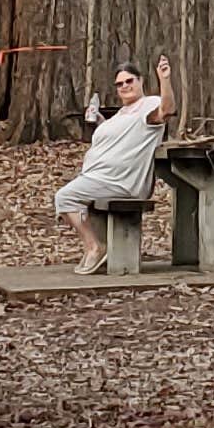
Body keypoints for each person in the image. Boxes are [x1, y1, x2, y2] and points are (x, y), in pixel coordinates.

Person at [54, 55, 177, 270]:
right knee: (70, 196)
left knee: (64, 197)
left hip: (122, 182)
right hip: (100, 178)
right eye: (120, 84)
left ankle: (95, 247)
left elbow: (166, 110)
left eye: (129, 81)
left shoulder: (149, 105)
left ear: (140, 81)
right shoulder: (122, 113)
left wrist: (164, 79)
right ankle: (96, 247)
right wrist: (101, 122)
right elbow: (122, 134)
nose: (125, 86)